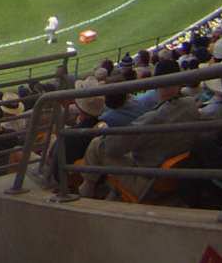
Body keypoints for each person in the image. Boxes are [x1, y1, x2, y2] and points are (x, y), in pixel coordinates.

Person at [79, 58, 200, 199]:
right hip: (172, 174)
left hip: (149, 183)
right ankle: (108, 192)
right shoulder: (191, 104)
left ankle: (87, 190)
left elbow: (111, 147)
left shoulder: (153, 119)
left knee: (97, 145)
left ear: (155, 83)